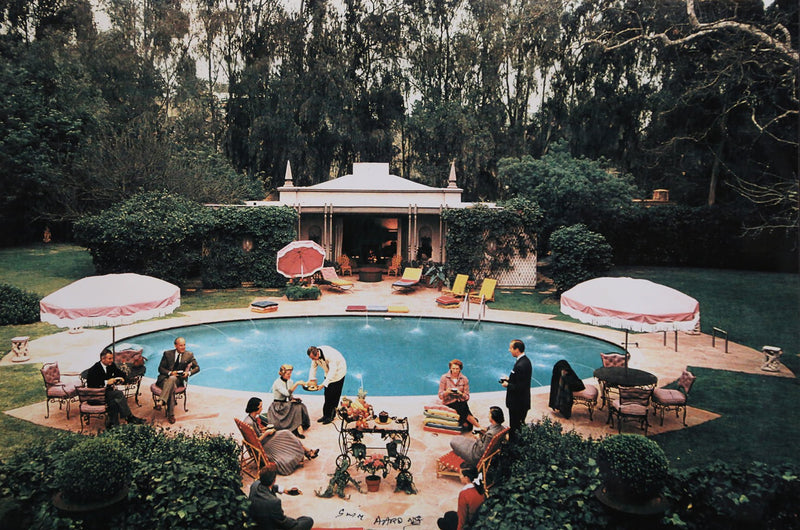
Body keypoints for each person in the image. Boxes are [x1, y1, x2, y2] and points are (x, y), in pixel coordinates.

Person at [243, 397, 318, 476]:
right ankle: (307, 452)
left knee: (287, 434)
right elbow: (256, 441)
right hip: (263, 444)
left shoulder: (249, 419)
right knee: (286, 436)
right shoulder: (250, 423)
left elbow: (257, 433)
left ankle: (307, 451)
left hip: (264, 440)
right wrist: (267, 433)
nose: (262, 408)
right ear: (255, 408)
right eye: (260, 407)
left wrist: (266, 429)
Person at [85, 349, 145, 426]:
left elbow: (118, 372)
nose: (111, 360)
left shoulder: (111, 365)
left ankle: (114, 424)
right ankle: (129, 417)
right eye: (109, 358)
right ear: (103, 359)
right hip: (97, 395)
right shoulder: (94, 370)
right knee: (119, 394)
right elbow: (91, 385)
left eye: (112, 358)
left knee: (113, 402)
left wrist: (124, 378)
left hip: (107, 393)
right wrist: (106, 382)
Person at [249, 462, 314, 530]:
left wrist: (284, 490)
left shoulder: (254, 485)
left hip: (256, 525)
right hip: (271, 527)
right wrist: (295, 522)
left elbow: (269, 486)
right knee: (308, 521)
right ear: (274, 480)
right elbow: (284, 522)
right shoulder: (274, 502)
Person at [155, 337, 200, 424]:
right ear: (175, 346)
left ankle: (161, 401)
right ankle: (171, 415)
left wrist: (189, 373)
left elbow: (197, 368)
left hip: (178, 380)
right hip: (164, 379)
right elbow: (160, 369)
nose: (183, 347)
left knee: (172, 380)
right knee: (171, 386)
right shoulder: (167, 354)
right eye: (181, 345)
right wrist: (170, 373)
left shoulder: (189, 355)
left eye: (184, 345)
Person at [266, 364, 311, 439]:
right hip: (278, 406)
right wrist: (297, 383)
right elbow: (287, 393)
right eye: (288, 374)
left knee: (300, 405)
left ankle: (299, 426)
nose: (289, 375)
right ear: (283, 373)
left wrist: (294, 399)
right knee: (297, 408)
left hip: (285, 404)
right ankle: (298, 428)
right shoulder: (277, 383)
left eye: (290, 373)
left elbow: (289, 396)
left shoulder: (290, 381)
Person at [437, 463, 485, 530]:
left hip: (468, 525)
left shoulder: (464, 494)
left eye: (460, 474)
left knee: (441, 521)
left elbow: (462, 518)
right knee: (448, 514)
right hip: (476, 520)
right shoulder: (480, 487)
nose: (459, 476)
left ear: (466, 478)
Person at [306, 345, 347, 424]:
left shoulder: (330, 355)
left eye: (313, 358)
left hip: (338, 372)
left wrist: (323, 384)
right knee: (327, 395)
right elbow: (313, 367)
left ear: (317, 353)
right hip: (328, 371)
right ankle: (325, 415)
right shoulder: (314, 355)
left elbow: (333, 371)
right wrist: (312, 379)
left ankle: (331, 416)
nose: (313, 360)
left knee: (334, 395)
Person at [438, 359, 481, 431]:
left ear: (460, 369)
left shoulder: (464, 379)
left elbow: (467, 397)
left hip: (461, 402)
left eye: (457, 369)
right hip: (449, 402)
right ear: (450, 368)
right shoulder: (444, 378)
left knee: (468, 427)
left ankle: (471, 421)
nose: (455, 371)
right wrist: (447, 392)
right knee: (464, 410)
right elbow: (440, 395)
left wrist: (461, 394)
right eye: (453, 369)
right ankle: (479, 426)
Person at [501, 339, 531, 434]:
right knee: (518, 425)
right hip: (521, 402)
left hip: (517, 403)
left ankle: (514, 446)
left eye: (511, 348)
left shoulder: (521, 365)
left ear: (517, 349)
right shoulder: (525, 361)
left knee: (515, 426)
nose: (509, 350)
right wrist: (510, 379)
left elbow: (520, 387)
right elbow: (521, 380)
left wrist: (507, 385)